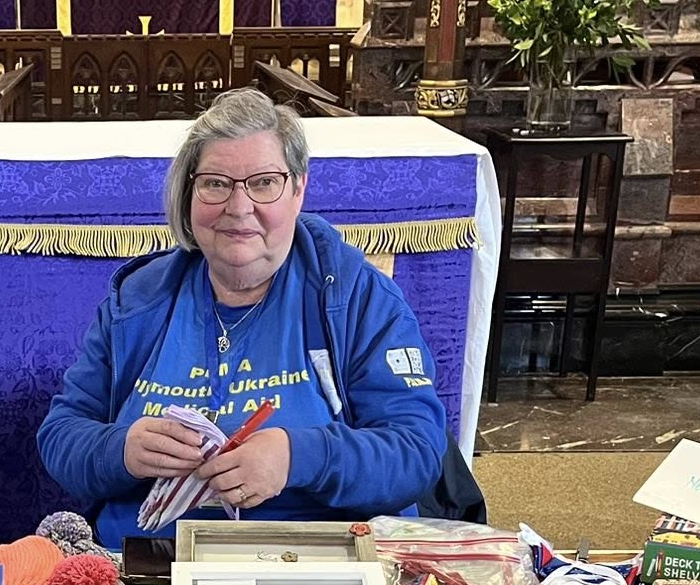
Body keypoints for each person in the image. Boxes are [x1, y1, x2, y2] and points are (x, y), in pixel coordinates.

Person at [36, 88, 476, 547]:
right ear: (189, 193)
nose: (239, 207)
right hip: (144, 562)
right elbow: (61, 435)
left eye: (264, 182)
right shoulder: (137, 301)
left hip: (312, 559)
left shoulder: (356, 297)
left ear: (298, 189)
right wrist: (120, 450)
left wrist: (298, 457)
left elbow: (416, 450)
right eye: (215, 183)